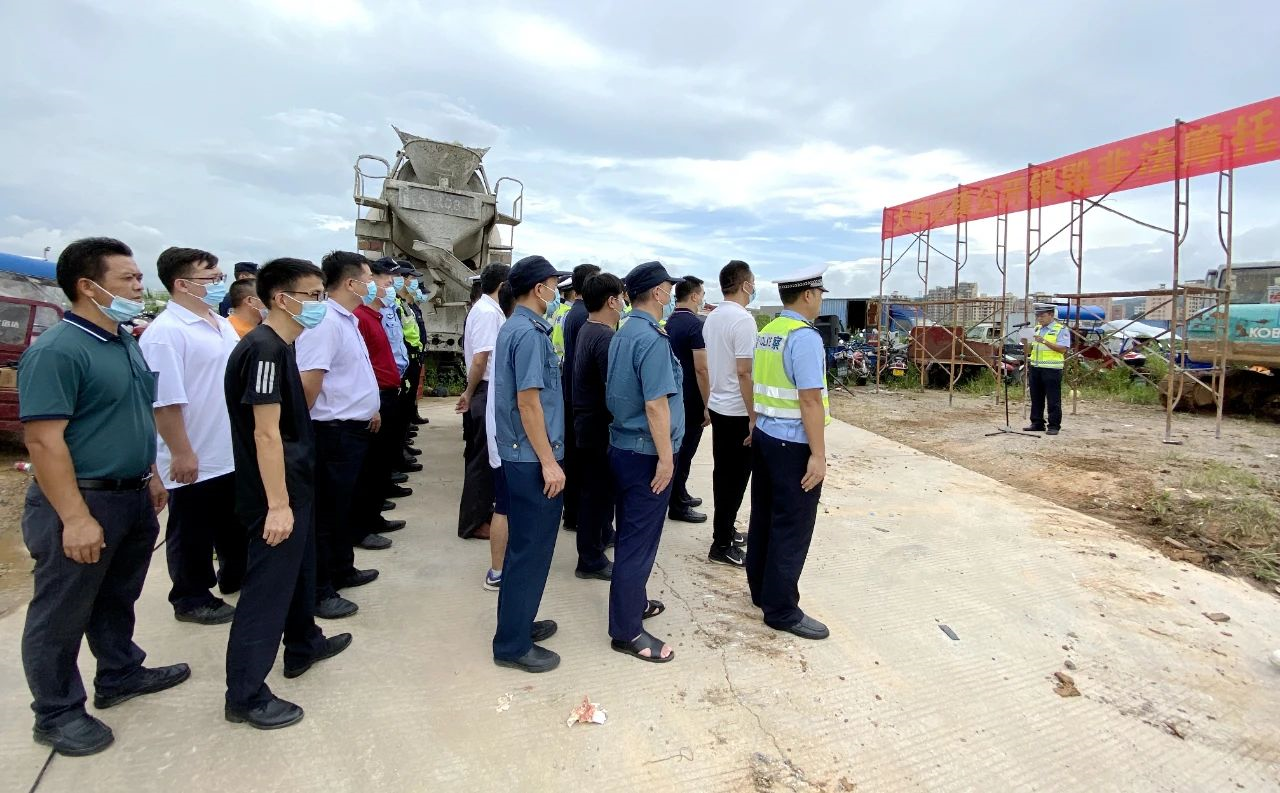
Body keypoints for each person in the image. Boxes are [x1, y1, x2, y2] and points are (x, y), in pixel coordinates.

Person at [17, 237, 189, 757]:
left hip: (131, 493)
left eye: (139, 278)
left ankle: (118, 672)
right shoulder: (57, 351)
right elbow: (45, 441)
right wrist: (73, 517)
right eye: (128, 279)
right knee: (62, 610)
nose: (140, 287)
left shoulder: (122, 342)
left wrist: (151, 477)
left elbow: (134, 416)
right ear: (88, 286)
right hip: (83, 501)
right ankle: (57, 712)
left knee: (117, 595)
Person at [223, 257, 351, 730]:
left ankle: (303, 643)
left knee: (300, 573)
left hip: (296, 483)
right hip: (274, 493)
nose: (321, 304)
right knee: (267, 592)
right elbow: (265, 434)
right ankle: (246, 693)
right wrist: (277, 504)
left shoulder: (283, 345)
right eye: (314, 296)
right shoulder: (263, 350)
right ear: (282, 298)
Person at [138, 246, 247, 625]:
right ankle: (190, 596)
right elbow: (164, 402)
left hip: (226, 447)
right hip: (193, 451)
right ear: (181, 284)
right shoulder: (164, 334)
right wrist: (181, 452)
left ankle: (234, 576)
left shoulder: (221, 324)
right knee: (192, 530)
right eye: (211, 278)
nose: (220, 283)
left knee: (231, 522)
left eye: (220, 277)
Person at [491, 255, 571, 673]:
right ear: (539, 289)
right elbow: (528, 402)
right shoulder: (529, 334)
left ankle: (518, 624)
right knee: (530, 551)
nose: (557, 291)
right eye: (554, 284)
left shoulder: (519, 327)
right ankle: (512, 644)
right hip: (531, 457)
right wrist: (549, 462)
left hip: (522, 453)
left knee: (529, 549)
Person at [295, 252, 385, 620]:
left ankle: (342, 568)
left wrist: (371, 408)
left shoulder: (346, 319)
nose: (375, 285)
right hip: (332, 432)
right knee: (327, 514)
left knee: (342, 508)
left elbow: (353, 373)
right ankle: (319, 590)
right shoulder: (325, 324)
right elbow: (310, 383)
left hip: (353, 427)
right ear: (351, 283)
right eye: (369, 278)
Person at [605, 261, 685, 664]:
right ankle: (627, 631)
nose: (671, 294)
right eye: (669, 288)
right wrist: (667, 461)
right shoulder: (651, 339)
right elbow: (655, 405)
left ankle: (631, 605)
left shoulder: (625, 331)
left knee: (630, 538)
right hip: (645, 454)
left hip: (622, 447)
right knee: (637, 546)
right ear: (656, 292)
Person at [748, 265, 831, 641]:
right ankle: (781, 609)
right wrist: (818, 454)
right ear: (809, 295)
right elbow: (810, 400)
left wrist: (755, 424)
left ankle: (761, 592)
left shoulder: (769, 332)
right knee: (792, 526)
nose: (820, 300)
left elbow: (754, 381)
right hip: (793, 444)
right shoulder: (804, 337)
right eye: (820, 293)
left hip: (766, 435)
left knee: (764, 516)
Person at [701, 260, 757, 567]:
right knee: (734, 479)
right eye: (753, 281)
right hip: (737, 411)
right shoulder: (743, 320)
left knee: (723, 473)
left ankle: (726, 529)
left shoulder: (714, 317)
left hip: (719, 405)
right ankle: (721, 544)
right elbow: (744, 372)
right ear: (745, 284)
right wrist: (753, 417)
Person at [571, 272, 625, 580]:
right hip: (598, 426)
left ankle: (603, 535)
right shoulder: (604, 336)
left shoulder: (589, 328)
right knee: (596, 493)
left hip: (588, 422)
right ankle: (589, 559)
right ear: (611, 301)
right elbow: (613, 389)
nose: (623, 302)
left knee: (598, 491)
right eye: (620, 297)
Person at [351, 272, 409, 543]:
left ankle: (373, 517)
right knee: (369, 466)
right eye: (384, 283)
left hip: (386, 395)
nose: (388, 289)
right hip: (376, 398)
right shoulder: (361, 318)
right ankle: (363, 526)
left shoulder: (374, 316)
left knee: (380, 460)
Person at [456, 263, 510, 542]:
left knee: (482, 456)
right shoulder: (488, 313)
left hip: (484, 388)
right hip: (485, 389)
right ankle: (474, 523)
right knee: (481, 461)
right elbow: (481, 359)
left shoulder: (486, 309)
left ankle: (480, 515)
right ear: (503, 287)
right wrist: (470, 391)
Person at [664, 275, 711, 523]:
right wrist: (708, 404)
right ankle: (677, 505)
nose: (703, 299)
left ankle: (679, 493)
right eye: (702, 294)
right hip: (691, 400)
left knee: (679, 451)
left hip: (673, 397)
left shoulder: (670, 321)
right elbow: (702, 369)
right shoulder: (696, 325)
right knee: (685, 453)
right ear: (693, 296)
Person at [558, 263, 600, 536]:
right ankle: (576, 515)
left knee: (574, 458)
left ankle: (571, 513)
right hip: (580, 396)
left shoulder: (574, 312)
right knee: (581, 463)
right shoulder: (585, 315)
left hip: (571, 392)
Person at [482, 281, 517, 591]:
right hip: (510, 443)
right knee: (505, 506)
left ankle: (499, 569)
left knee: (504, 505)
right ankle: (498, 571)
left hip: (503, 438)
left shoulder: (506, 333)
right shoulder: (516, 336)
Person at [1024, 303, 1069, 436]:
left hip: (1052, 368)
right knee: (1036, 397)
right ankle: (1037, 423)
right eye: (1038, 315)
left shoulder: (1060, 329)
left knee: (1053, 398)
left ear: (1051, 315)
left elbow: (1063, 349)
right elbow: (1029, 350)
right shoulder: (1036, 329)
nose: (1039, 318)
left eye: (1042, 315)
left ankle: (1054, 425)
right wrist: (1025, 343)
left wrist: (1044, 341)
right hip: (1036, 367)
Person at [549, 277, 574, 359]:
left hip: (556, 356)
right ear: (574, 294)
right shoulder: (570, 312)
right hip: (565, 357)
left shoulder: (557, 309)